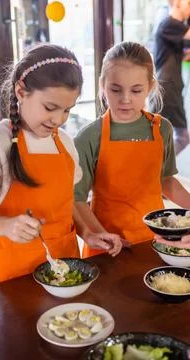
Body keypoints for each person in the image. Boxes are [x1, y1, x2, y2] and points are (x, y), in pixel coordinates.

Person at [0, 44, 122, 286]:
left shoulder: (64, 142)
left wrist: (88, 234)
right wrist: (6, 226)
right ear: (21, 92)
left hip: (66, 271)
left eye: (67, 111)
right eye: (50, 108)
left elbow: (67, 203)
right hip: (14, 278)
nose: (59, 120)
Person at [73, 41, 190, 258]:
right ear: (102, 85)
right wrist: (100, 235)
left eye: (136, 90)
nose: (125, 99)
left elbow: (166, 181)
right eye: (115, 89)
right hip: (106, 248)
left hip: (156, 241)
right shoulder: (89, 137)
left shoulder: (161, 128)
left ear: (150, 87)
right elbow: (76, 199)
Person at [149, 0, 190, 155]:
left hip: (170, 88)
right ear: (177, 3)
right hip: (167, 88)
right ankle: (156, 169)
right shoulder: (169, 24)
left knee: (156, 134)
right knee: (180, 136)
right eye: (189, 4)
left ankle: (155, 169)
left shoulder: (175, 29)